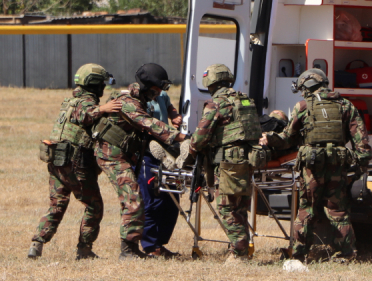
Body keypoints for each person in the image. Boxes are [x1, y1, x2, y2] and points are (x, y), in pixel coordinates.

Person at [260, 68, 371, 263]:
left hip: (312, 167)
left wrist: (269, 139)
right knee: (337, 210)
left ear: (308, 86)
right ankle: (346, 254)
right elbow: (361, 142)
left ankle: (299, 255)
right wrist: (358, 166)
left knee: (306, 209)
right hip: (338, 166)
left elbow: (287, 139)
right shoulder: (346, 105)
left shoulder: (302, 106)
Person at [93, 63, 186, 260]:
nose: (157, 95)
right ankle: (127, 250)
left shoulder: (142, 99)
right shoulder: (127, 101)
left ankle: (135, 248)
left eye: (160, 91)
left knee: (138, 199)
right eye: (155, 90)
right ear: (144, 87)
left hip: (126, 153)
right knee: (133, 199)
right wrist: (182, 138)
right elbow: (149, 123)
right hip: (112, 155)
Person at [28, 63, 119, 260]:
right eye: (102, 84)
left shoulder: (71, 100)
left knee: (57, 205)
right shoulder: (85, 102)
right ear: (94, 85)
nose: (103, 88)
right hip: (75, 163)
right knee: (94, 205)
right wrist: (104, 108)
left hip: (58, 161)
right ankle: (84, 249)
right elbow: (85, 116)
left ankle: (37, 243)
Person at [187, 63, 263, 261]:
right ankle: (240, 249)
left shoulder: (217, 104)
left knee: (228, 207)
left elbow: (200, 137)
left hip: (229, 161)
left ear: (210, 82)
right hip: (248, 159)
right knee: (240, 207)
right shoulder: (245, 100)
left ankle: (239, 254)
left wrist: (191, 149)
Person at [138, 88, 183, 257]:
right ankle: (150, 246)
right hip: (147, 152)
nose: (160, 89)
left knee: (172, 199)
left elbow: (169, 106)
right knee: (151, 200)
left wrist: (174, 115)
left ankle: (160, 243)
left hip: (167, 151)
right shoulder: (139, 97)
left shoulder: (162, 95)